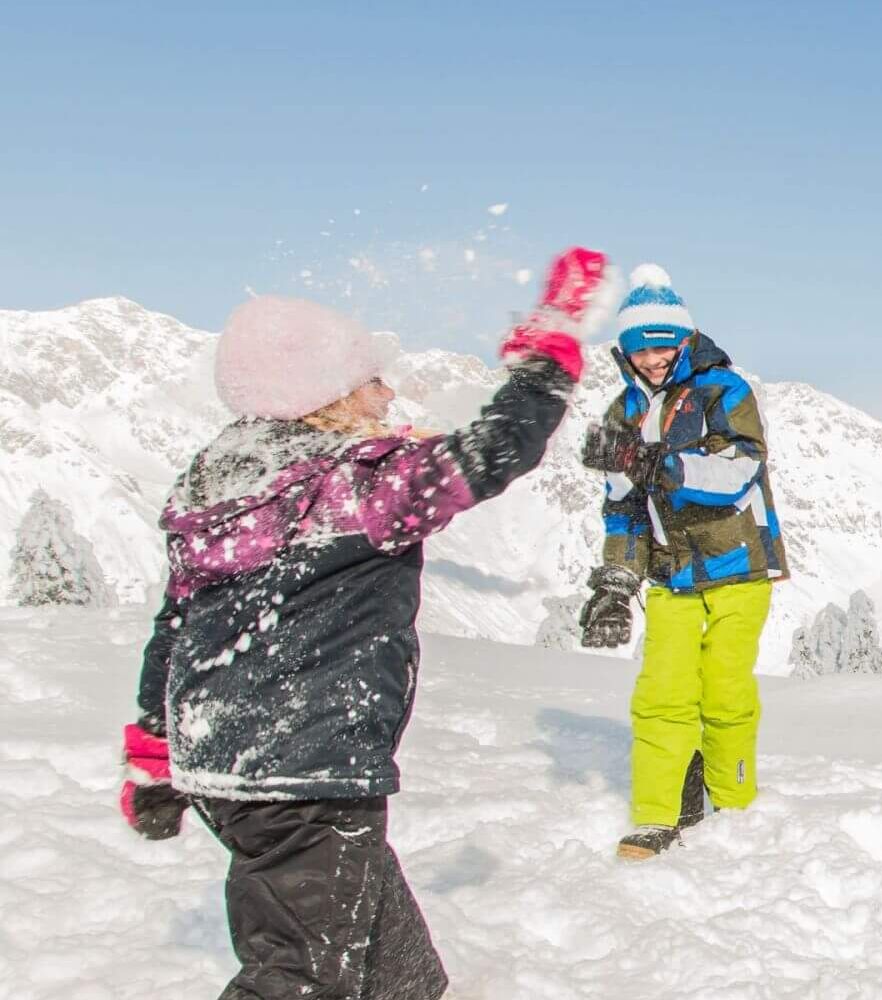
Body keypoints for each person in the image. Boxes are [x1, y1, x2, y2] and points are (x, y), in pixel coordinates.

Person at [117, 248, 605, 999]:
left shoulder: (217, 486)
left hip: (223, 761)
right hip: (306, 773)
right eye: (371, 380)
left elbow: (177, 623)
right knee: (304, 980)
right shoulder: (363, 487)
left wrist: (153, 750)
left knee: (399, 975)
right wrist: (548, 354)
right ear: (328, 398)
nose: (388, 392)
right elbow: (497, 448)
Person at [575, 264, 788, 861]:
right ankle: (657, 815)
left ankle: (735, 804)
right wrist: (616, 582)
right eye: (640, 350)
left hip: (736, 566)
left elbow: (740, 471)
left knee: (723, 694)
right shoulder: (623, 412)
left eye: (663, 345)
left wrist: (660, 464)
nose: (652, 359)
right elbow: (623, 508)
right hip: (671, 575)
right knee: (661, 694)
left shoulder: (724, 391)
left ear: (684, 339)